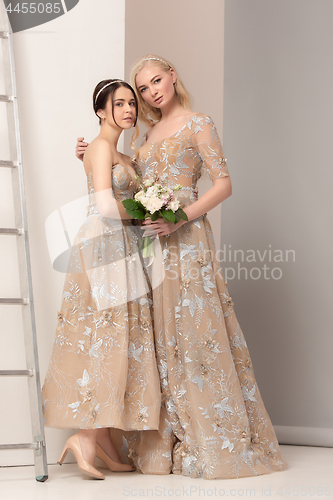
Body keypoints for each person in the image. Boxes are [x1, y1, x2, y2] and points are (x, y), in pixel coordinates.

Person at [75, 56, 287, 480]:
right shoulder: (145, 136)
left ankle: (212, 433)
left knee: (196, 330)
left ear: (172, 76)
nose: (152, 92)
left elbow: (224, 183)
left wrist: (181, 217)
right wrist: (93, 153)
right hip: (150, 246)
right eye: (143, 88)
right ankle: (163, 439)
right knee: (158, 336)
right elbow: (127, 183)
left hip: (185, 239)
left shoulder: (199, 123)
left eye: (157, 80)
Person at [42, 79, 162, 479]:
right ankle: (86, 437)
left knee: (117, 338)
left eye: (132, 103)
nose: (129, 110)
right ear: (100, 111)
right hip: (104, 244)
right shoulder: (99, 147)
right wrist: (145, 214)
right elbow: (106, 206)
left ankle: (104, 440)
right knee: (105, 336)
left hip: (123, 248)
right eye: (120, 104)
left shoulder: (120, 153)